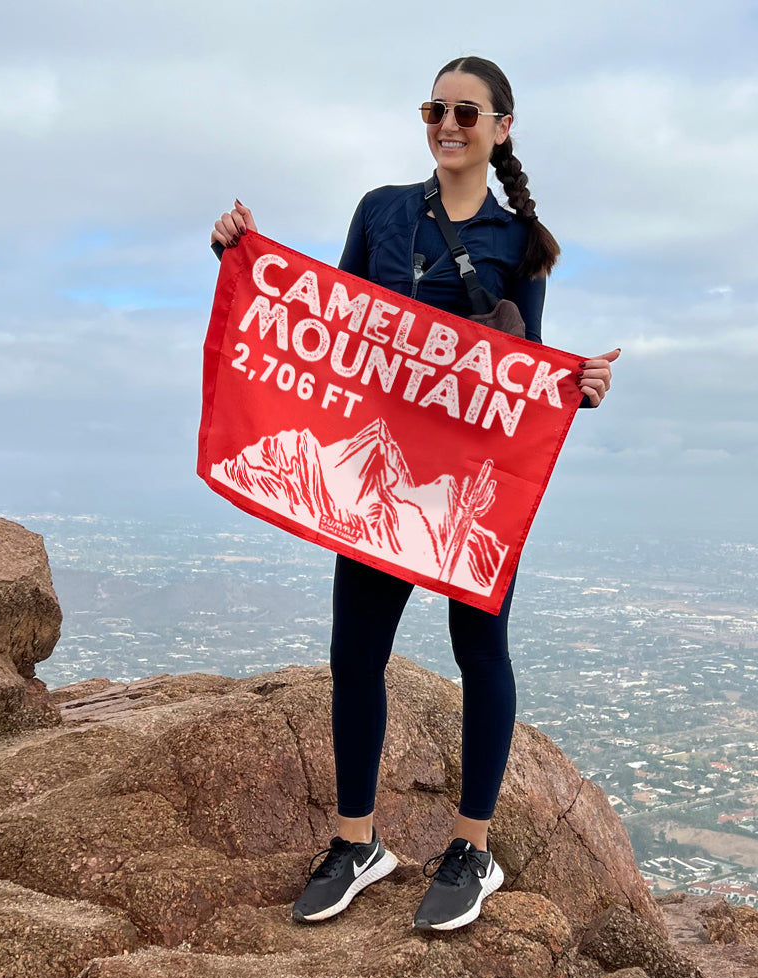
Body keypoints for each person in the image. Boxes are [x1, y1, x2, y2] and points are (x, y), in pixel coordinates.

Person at [211, 55, 618, 932]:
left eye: (468, 113)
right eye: (437, 108)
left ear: (502, 127)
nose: (449, 124)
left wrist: (574, 384)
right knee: (354, 652)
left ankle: (472, 848)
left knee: (481, 651)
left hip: (468, 482)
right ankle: (358, 841)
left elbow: (523, 372)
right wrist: (242, 257)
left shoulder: (523, 246)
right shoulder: (381, 212)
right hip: (378, 472)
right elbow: (329, 319)